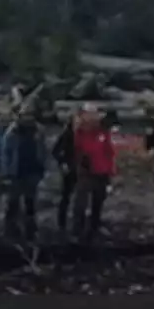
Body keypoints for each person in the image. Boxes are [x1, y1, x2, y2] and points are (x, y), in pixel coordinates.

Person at [71, 104, 116, 243]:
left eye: (94, 114)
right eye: (89, 114)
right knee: (81, 201)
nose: (92, 117)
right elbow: (75, 149)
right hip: (86, 172)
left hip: (101, 172)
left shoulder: (103, 132)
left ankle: (94, 228)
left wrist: (110, 172)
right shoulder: (79, 132)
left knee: (98, 201)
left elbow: (109, 152)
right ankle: (77, 230)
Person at [2, 108, 48, 241]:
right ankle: (10, 230)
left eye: (30, 115)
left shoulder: (40, 130)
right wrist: (6, 173)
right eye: (25, 116)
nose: (27, 118)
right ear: (19, 117)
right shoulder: (12, 132)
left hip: (33, 170)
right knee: (13, 203)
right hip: (16, 172)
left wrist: (42, 168)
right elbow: (6, 153)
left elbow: (44, 150)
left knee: (31, 203)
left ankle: (31, 231)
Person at [50, 112, 78, 236]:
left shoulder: (86, 134)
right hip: (70, 169)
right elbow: (55, 151)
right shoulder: (67, 134)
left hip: (84, 170)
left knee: (81, 198)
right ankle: (62, 223)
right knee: (66, 197)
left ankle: (78, 225)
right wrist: (63, 164)